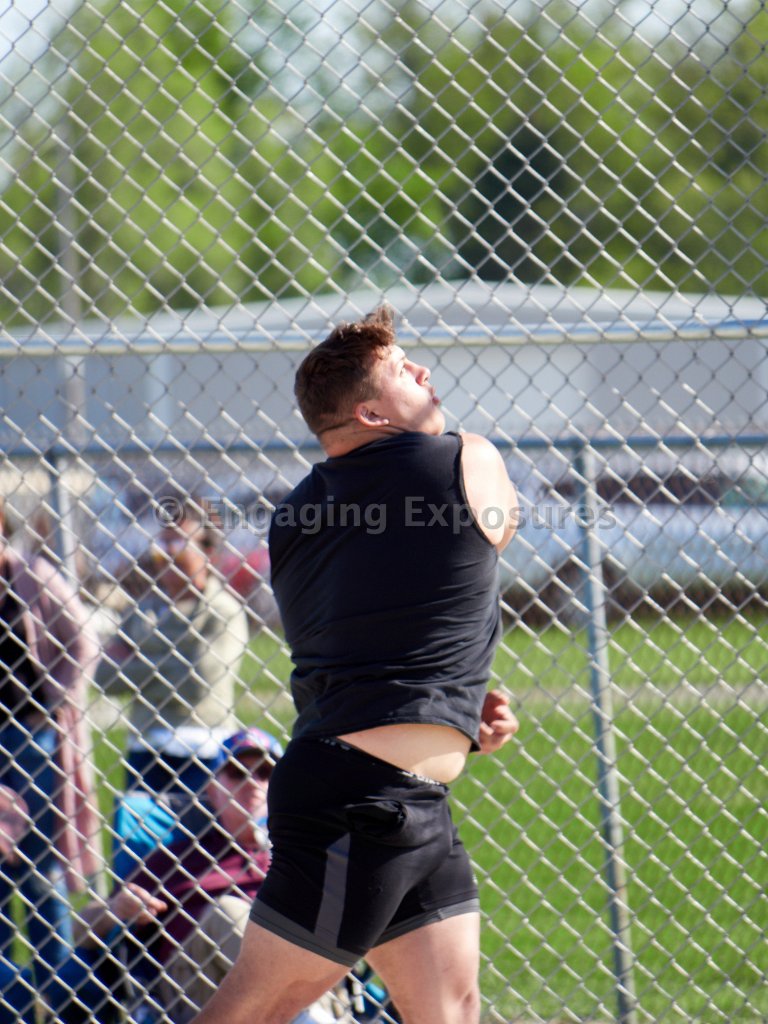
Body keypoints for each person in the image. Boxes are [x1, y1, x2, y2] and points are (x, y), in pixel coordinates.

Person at [190, 305, 520, 1024]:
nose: (423, 371)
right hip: (360, 802)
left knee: (449, 1009)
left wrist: (456, 709)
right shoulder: (466, 458)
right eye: (402, 368)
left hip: (397, 795)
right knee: (257, 1007)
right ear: (370, 412)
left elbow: (389, 624)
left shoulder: (294, 516)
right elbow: (487, 539)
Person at [46, 727, 343, 1024]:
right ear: (213, 789)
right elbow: (80, 929)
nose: (252, 783)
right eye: (238, 773)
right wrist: (116, 909)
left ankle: (308, 1015)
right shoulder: (178, 858)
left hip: (299, 982)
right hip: (199, 987)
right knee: (229, 912)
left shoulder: (299, 856)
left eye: (265, 773)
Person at [0, 496, 102, 997]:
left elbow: (84, 642)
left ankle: (61, 997)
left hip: (30, 737)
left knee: (39, 870)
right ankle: (8, 1003)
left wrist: (53, 699)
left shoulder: (30, 575)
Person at [96, 496, 251, 795]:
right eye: (162, 543)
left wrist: (139, 658)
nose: (167, 553)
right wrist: (178, 658)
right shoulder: (143, 610)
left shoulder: (223, 611)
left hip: (204, 749)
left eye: (178, 543)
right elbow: (105, 676)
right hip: (145, 748)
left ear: (207, 552)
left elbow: (199, 680)